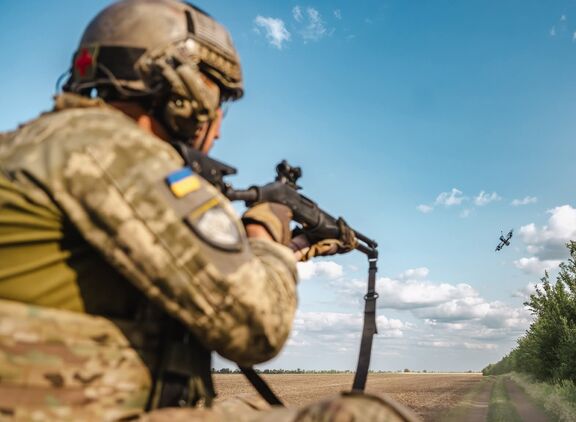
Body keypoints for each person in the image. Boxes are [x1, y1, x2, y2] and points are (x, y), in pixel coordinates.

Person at [0, 1, 416, 420]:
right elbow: (257, 326)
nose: (217, 125)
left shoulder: (48, 143)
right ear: (185, 92)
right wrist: (265, 224)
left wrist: (292, 248)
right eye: (218, 99)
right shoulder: (110, 148)